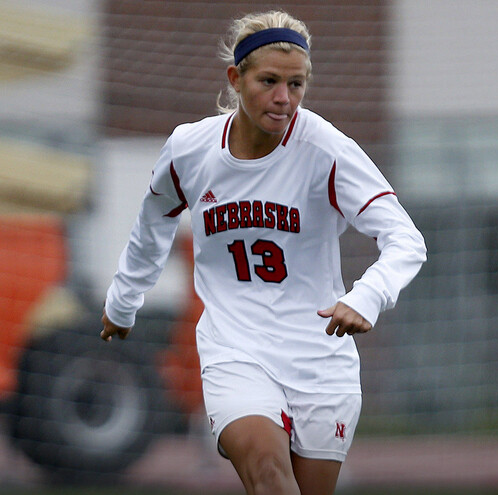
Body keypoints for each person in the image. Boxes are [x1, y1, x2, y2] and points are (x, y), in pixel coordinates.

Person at [100, 10, 426, 495]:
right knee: (270, 477)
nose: (283, 99)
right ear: (236, 78)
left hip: (320, 356)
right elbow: (152, 226)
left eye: (296, 85)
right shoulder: (190, 149)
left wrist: (367, 296)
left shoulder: (326, 150)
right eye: (269, 81)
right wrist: (122, 303)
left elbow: (406, 240)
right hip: (235, 348)